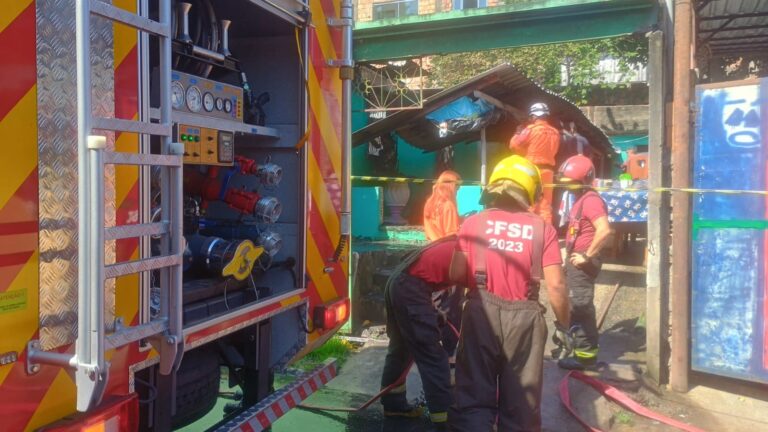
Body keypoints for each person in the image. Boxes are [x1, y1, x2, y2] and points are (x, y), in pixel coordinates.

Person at [448, 155, 572, 431]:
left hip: (481, 315)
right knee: (521, 404)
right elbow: (556, 287)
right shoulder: (543, 229)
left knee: (473, 398)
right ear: (530, 190)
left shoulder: (472, 224)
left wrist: (486, 271)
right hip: (525, 321)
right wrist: (564, 326)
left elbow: (455, 274)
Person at [380, 236, 457, 430]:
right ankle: (445, 419)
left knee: (401, 348)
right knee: (433, 354)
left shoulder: (458, 243)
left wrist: (432, 308)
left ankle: (394, 405)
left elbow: (427, 274)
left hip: (400, 281)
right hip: (410, 287)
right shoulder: (472, 253)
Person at [556, 155, 613, 370]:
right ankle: (579, 346)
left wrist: (586, 256)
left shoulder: (591, 200)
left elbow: (605, 230)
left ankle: (586, 358)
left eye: (569, 181)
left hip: (583, 259)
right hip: (576, 257)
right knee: (575, 304)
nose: (566, 185)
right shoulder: (581, 197)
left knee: (580, 306)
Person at [509, 102, 561, 224]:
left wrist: (517, 132)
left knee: (529, 202)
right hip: (548, 172)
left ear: (534, 116)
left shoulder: (530, 130)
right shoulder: (556, 133)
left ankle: (529, 231)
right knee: (545, 205)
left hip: (531, 170)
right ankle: (545, 232)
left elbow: (513, 146)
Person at [423, 170, 461, 241]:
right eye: (457, 188)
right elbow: (451, 234)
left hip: (432, 245)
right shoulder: (448, 205)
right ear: (451, 187)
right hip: (445, 246)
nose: (457, 192)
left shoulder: (429, 202)